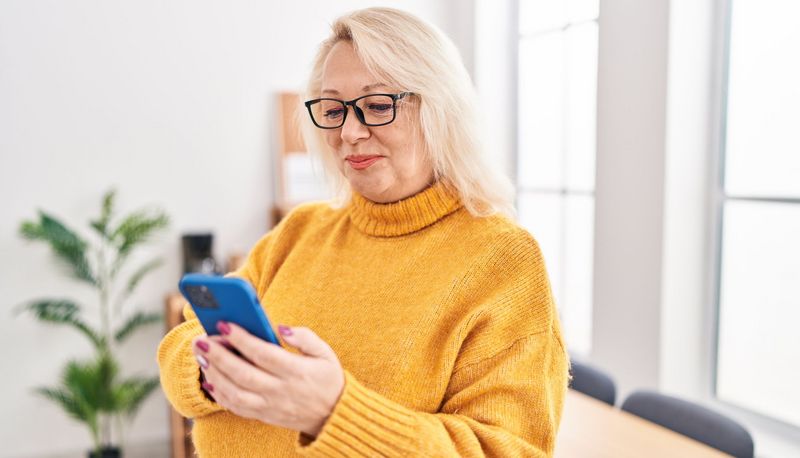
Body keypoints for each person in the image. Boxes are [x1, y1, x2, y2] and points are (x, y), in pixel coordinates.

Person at [158, 7, 569, 457]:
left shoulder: (502, 262)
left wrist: (331, 413)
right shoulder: (299, 231)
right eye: (333, 109)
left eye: (376, 105)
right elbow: (181, 343)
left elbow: (505, 450)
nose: (350, 132)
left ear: (441, 111)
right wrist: (213, 371)